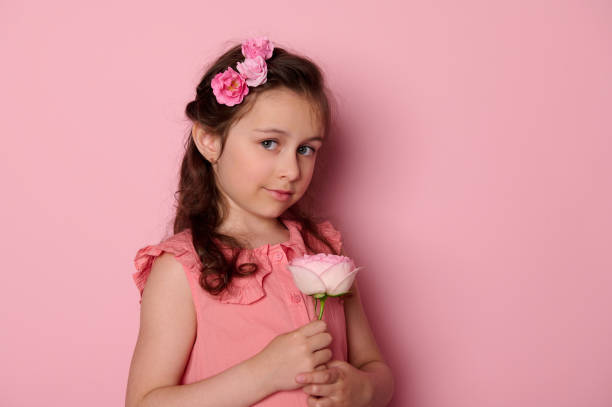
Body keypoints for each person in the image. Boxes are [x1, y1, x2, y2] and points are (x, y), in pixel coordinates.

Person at [125, 37, 394, 407]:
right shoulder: (180, 269)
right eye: (269, 143)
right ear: (208, 140)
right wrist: (263, 374)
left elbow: (374, 366)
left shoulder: (325, 251)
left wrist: (363, 387)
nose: (291, 170)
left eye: (306, 149)